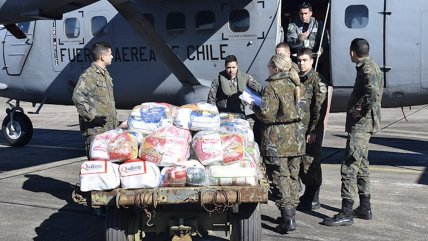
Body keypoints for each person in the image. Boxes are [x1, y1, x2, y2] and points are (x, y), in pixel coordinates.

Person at [322, 38, 383, 226]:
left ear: (352, 52)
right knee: (362, 166)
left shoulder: (367, 69)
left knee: (349, 166)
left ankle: (346, 212)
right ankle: (365, 207)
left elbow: (372, 93)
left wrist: (361, 108)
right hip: (362, 126)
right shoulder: (368, 67)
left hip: (361, 126)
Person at [251, 54, 306, 234]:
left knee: (280, 177)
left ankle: (288, 216)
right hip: (296, 138)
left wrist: (253, 106)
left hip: (278, 139)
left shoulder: (273, 87)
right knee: (292, 176)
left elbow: (266, 115)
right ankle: (290, 213)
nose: (268, 68)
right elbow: (304, 111)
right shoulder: (297, 85)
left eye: (269, 65)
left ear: (276, 68)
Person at [295, 48, 328, 211]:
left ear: (312, 61)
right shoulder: (299, 79)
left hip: (311, 130)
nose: (301, 63)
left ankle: (314, 197)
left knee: (311, 163)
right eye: (299, 60)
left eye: (304, 60)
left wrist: (314, 131)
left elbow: (319, 109)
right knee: (303, 163)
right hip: (301, 129)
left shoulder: (317, 81)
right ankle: (308, 195)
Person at [72, 42, 118, 159]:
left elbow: (107, 102)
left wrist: (116, 122)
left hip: (108, 131)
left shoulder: (105, 75)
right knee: (97, 171)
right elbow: (78, 96)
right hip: (96, 132)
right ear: (103, 56)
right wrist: (92, 117)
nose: (112, 56)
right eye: (110, 54)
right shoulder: (89, 75)